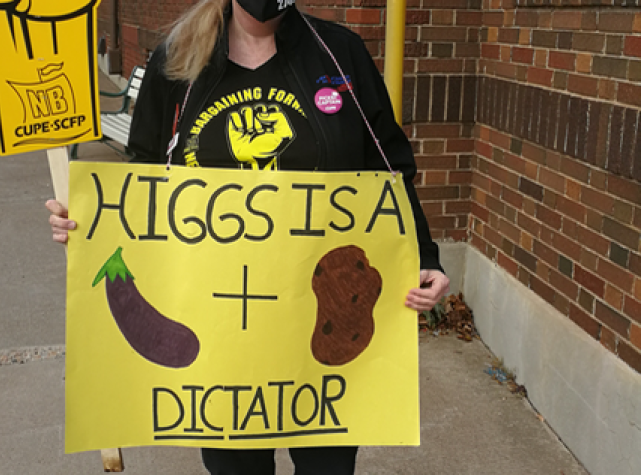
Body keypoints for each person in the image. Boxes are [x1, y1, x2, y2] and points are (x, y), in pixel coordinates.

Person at [47, 0, 450, 473]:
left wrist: (425, 256)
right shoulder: (178, 59)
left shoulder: (340, 54)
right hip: (219, 330)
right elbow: (144, 180)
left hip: (320, 319)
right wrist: (91, 219)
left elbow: (390, 170)